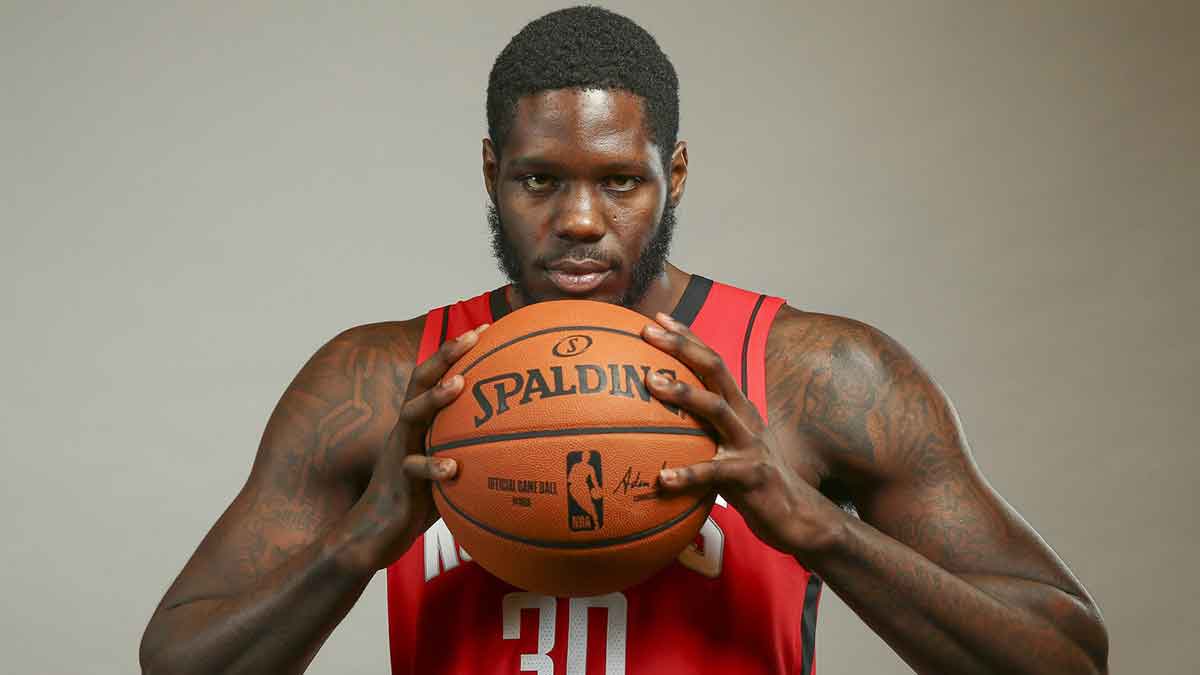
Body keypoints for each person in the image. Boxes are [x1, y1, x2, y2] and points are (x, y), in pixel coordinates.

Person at [139, 7, 1108, 674]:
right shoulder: (384, 379)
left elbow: (1067, 656)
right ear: (490, 172)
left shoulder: (812, 374)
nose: (578, 220)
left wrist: (816, 527)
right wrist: (359, 542)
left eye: (618, 180)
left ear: (673, 174)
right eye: (539, 181)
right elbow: (177, 660)